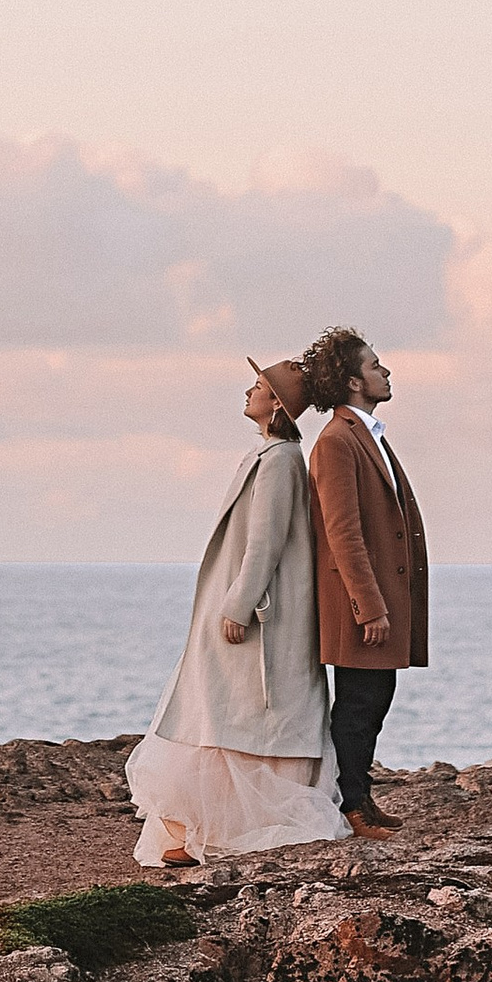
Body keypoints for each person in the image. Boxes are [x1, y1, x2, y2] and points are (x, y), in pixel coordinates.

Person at [126, 356, 347, 869]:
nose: (247, 392)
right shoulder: (272, 455)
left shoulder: (280, 460)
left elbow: (264, 543)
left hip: (259, 619)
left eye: (258, 387)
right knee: (225, 715)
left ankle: (216, 829)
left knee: (233, 716)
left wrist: (238, 605)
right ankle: (209, 827)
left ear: (276, 405)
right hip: (252, 612)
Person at [301, 322, 429, 838]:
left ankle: (361, 798)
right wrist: (369, 607)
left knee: (373, 700)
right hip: (362, 605)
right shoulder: (337, 442)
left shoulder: (365, 436)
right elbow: (342, 534)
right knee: (358, 705)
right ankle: (350, 806)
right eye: (375, 365)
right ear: (354, 381)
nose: (386, 370)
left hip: (379, 602)